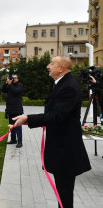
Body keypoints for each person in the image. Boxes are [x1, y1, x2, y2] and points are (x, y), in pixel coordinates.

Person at [12, 56, 91, 208]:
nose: (48, 66)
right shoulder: (59, 83)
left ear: (61, 68)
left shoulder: (68, 86)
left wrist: (27, 118)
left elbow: (56, 115)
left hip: (66, 150)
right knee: (61, 192)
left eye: (51, 63)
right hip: (59, 147)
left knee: (64, 194)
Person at [2, 74, 24, 148]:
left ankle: (20, 142)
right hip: (10, 109)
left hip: (17, 110)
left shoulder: (19, 85)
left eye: (14, 78)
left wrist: (10, 84)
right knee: (11, 126)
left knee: (17, 126)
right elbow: (3, 90)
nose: (13, 79)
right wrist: (6, 83)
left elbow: (15, 92)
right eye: (12, 78)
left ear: (18, 79)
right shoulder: (10, 85)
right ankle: (13, 139)